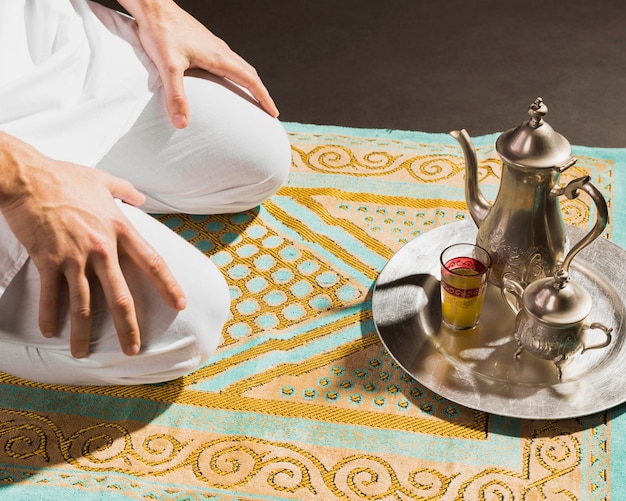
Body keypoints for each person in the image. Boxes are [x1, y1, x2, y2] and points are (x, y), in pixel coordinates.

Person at [0, 0, 291, 385]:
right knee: (183, 328)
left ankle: (81, 181)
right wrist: (23, 184)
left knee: (256, 160)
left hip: (28, 41)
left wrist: (155, 10)